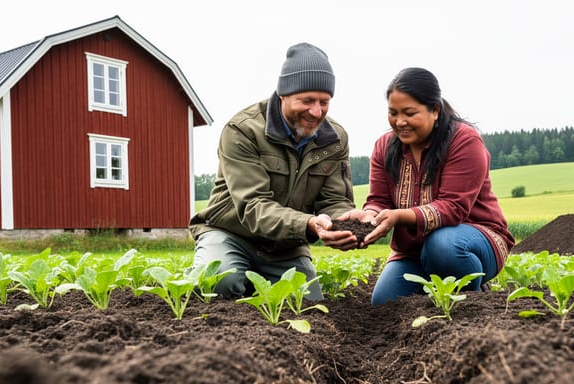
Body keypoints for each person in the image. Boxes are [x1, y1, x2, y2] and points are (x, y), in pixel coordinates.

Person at [189, 43, 358, 300]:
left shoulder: (334, 138)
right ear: (283, 95)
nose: (316, 111)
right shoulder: (243, 130)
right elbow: (253, 206)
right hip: (231, 232)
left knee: (306, 302)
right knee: (220, 282)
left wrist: (348, 219)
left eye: (324, 102)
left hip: (285, 247)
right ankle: (223, 267)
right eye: (307, 100)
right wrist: (309, 223)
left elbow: (334, 200)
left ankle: (257, 284)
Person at [341, 67, 515, 305]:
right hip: (413, 251)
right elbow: (378, 199)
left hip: (473, 239)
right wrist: (369, 215)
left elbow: (453, 208)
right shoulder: (384, 147)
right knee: (384, 303)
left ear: (435, 110)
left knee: (442, 247)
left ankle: (473, 295)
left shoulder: (463, 141)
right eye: (393, 113)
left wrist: (399, 216)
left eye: (410, 113)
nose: (400, 121)